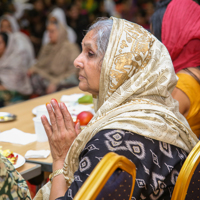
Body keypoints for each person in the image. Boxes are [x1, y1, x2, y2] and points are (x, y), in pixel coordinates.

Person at [34, 17, 198, 200]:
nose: (77, 61)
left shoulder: (112, 145)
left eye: (90, 53)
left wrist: (60, 158)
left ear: (119, 67)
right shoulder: (161, 118)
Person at [151, 0, 200, 138]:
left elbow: (154, 136)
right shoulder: (193, 72)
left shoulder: (181, 85)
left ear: (172, 34)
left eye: (154, 34)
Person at [29, 22, 80, 95]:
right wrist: (33, 69)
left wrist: (56, 82)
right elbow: (40, 65)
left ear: (60, 32)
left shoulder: (71, 48)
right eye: (48, 32)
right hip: (49, 79)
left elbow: (73, 71)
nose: (49, 35)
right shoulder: (47, 47)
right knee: (34, 78)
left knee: (67, 84)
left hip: (64, 80)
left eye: (52, 31)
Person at [0, 32, 33, 106]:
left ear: (7, 44)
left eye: (0, 43)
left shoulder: (16, 60)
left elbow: (13, 84)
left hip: (18, 92)